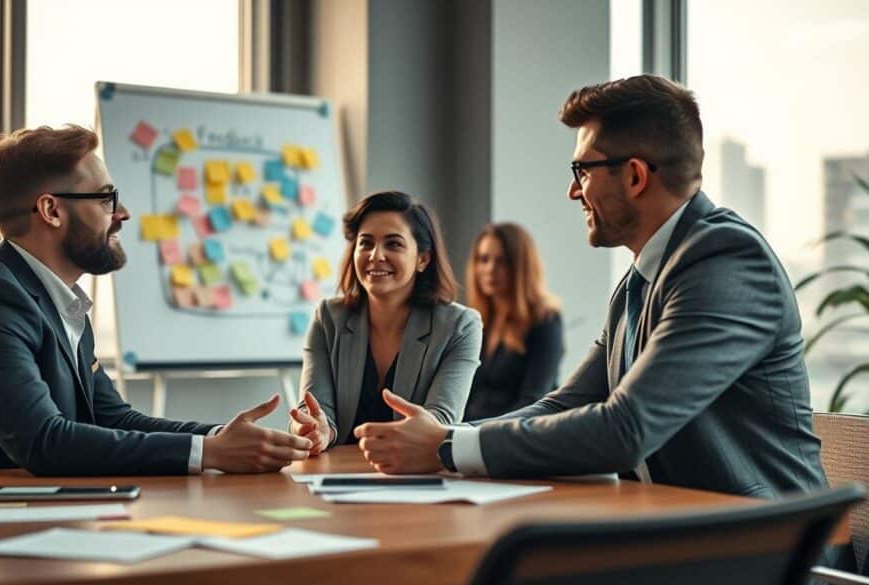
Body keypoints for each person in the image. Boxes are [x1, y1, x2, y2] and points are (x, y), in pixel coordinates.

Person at [351, 75, 830, 500]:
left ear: (636, 176)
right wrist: (446, 434)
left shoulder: (726, 260)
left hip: (767, 549)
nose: (573, 191)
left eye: (583, 170)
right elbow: (567, 403)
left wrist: (448, 447)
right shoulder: (640, 280)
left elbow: (626, 427)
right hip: (678, 532)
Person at [0, 125, 312, 475]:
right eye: (106, 198)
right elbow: (44, 441)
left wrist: (225, 438)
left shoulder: (61, 302)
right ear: (52, 211)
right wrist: (210, 454)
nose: (123, 212)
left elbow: (112, 418)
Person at [289, 191, 481, 455]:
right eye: (365, 243)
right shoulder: (328, 318)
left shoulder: (460, 326)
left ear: (423, 259)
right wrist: (316, 428)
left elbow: (442, 421)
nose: (375, 255)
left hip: (412, 474)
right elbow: (314, 409)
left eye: (393, 244)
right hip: (334, 475)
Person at [463, 223, 564, 421]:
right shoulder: (475, 321)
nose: (490, 269)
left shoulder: (545, 320)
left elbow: (534, 400)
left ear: (521, 266)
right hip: (468, 435)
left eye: (502, 261)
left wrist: (472, 433)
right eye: (483, 259)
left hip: (517, 438)